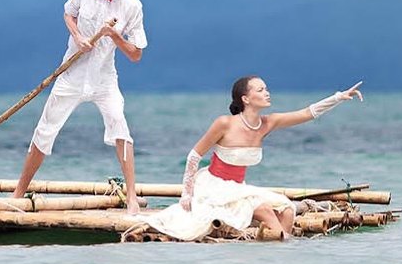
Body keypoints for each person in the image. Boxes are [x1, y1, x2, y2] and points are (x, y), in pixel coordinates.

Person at [13, 0, 149, 211]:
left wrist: (114, 36)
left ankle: (131, 196)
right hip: (71, 74)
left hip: (104, 79)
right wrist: (78, 37)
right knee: (45, 129)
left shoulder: (133, 5)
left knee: (120, 127)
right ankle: (18, 193)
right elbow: (68, 13)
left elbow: (136, 55)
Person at [147, 76, 364, 241]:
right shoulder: (225, 123)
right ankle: (284, 251)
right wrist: (187, 193)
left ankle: (273, 252)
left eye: (266, 89)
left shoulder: (267, 123)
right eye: (261, 90)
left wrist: (338, 97)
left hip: (239, 187)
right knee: (268, 212)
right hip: (214, 187)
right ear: (246, 99)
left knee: (287, 210)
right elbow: (194, 156)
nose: (267, 93)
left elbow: (307, 113)